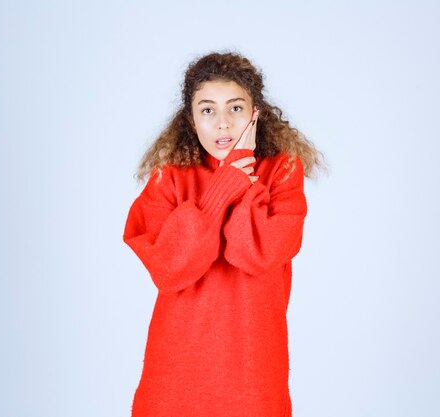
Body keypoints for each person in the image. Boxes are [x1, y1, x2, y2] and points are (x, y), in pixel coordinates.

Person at [123, 51, 325, 417]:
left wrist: (241, 180)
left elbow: (254, 253)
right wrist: (223, 188)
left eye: (235, 108)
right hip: (177, 367)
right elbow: (169, 269)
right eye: (207, 110)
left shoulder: (282, 171)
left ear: (255, 113)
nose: (222, 124)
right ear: (191, 120)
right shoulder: (168, 178)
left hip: (253, 366)